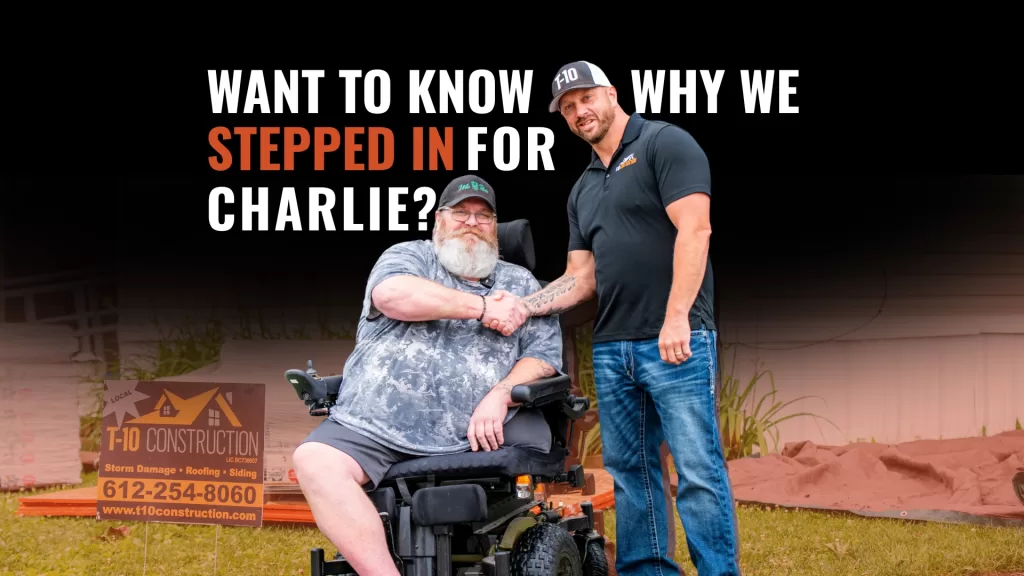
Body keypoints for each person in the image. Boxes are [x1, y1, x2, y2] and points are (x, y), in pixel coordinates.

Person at [514, 61, 741, 576]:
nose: (579, 112)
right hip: (613, 348)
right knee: (632, 473)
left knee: (698, 470)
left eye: (586, 99)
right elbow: (582, 276)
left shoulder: (666, 144)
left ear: (612, 94)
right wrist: (521, 306)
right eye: (568, 108)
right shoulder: (583, 187)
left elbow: (696, 231)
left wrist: (677, 316)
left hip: (676, 340)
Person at [292, 174, 563, 576]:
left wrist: (502, 393)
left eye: (483, 216)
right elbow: (392, 296)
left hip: (472, 431)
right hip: (374, 421)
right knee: (313, 460)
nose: (472, 222)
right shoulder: (410, 256)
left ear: (495, 228)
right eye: (460, 213)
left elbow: (544, 356)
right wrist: (484, 307)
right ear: (439, 219)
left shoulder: (519, 282)